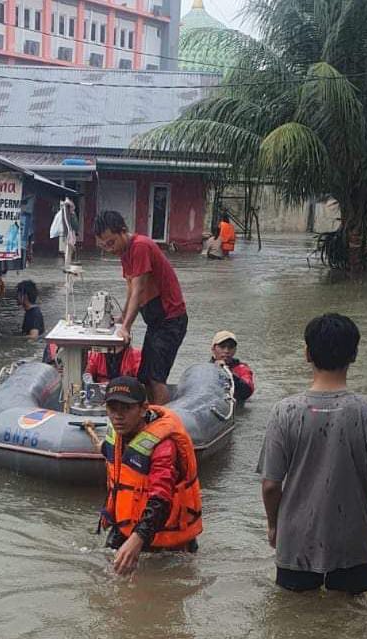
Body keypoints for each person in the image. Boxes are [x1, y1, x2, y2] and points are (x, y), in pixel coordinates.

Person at [257, 313, 367, 595]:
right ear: (355, 354)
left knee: (292, 620)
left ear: (307, 354)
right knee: (354, 620)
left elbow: (271, 484)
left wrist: (274, 525)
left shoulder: (284, 411)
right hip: (352, 544)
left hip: (295, 541)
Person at [86, 377, 202, 575]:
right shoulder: (118, 434)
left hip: (165, 540)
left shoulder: (163, 447)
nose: (118, 416)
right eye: (113, 408)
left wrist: (137, 539)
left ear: (143, 408)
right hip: (125, 527)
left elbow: (161, 500)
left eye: (126, 408)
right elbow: (112, 456)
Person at [93, 210, 188, 405]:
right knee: (145, 377)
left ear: (123, 231)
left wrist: (126, 327)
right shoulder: (125, 253)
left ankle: (160, 424)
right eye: (104, 245)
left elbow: (139, 289)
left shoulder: (140, 246)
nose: (110, 248)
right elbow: (130, 289)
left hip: (170, 320)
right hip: (155, 323)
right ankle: (149, 415)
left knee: (155, 377)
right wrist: (121, 319)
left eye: (111, 242)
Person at [209, 331, 255, 403]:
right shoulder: (205, 369)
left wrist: (228, 373)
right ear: (213, 348)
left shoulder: (242, 369)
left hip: (235, 406)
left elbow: (247, 391)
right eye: (222, 346)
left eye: (230, 347)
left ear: (235, 350)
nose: (226, 351)